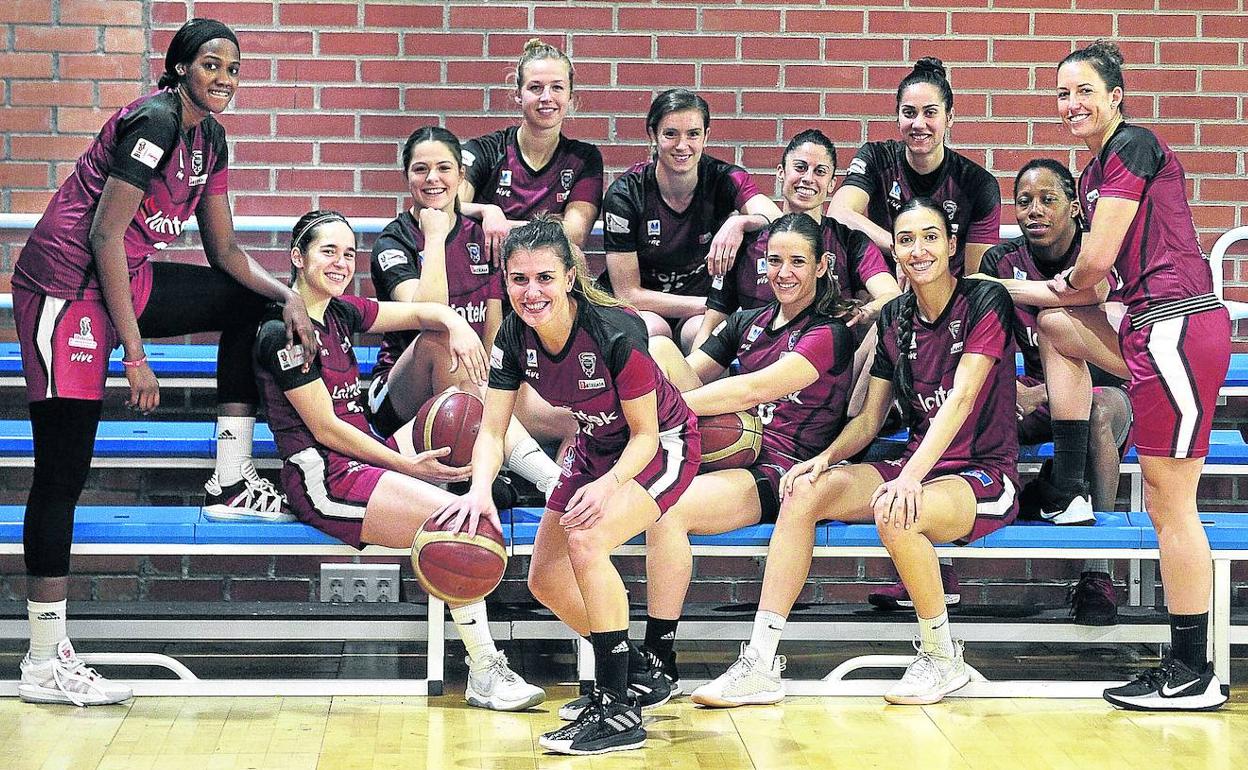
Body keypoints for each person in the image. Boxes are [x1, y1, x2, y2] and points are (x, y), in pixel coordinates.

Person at [12, 18, 318, 706]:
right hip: (66, 286)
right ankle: (42, 661)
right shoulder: (154, 121)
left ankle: (231, 480)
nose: (224, 79)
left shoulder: (211, 138)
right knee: (63, 471)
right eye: (211, 65)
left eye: (233, 69)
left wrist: (288, 294)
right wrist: (138, 355)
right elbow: (103, 232)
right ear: (180, 67)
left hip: (125, 274)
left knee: (249, 305)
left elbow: (227, 256)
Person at [693, 197, 1019, 708]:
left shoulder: (984, 300)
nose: (918, 249)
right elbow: (869, 418)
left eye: (930, 237)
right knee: (804, 491)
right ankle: (759, 662)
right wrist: (825, 459)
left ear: (953, 246)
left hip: (981, 474)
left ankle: (941, 656)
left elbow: (961, 398)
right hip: (916, 466)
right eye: (907, 240)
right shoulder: (895, 316)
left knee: (898, 512)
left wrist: (909, 477)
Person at [254, 210, 544, 712]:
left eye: (349, 253)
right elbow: (326, 430)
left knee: (465, 407)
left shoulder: (343, 311)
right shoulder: (281, 331)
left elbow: (420, 314)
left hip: (368, 455)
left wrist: (456, 322)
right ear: (297, 257)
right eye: (328, 251)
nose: (342, 262)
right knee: (461, 525)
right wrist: (405, 465)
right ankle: (484, 671)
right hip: (325, 475)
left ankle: (549, 479)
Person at [434, 217, 700, 755]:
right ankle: (638, 673)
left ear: (571, 277)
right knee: (545, 577)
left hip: (660, 445)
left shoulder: (617, 332)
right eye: (518, 279)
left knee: (587, 539)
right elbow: (491, 427)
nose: (531, 292)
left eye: (545, 278)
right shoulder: (512, 334)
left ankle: (618, 708)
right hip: (597, 447)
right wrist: (479, 489)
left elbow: (647, 436)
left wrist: (607, 489)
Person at [1045, 41, 1230, 710]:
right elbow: (1087, 294)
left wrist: (1038, 285)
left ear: (1115, 96)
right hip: (1152, 328)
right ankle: (1069, 488)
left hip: (1178, 323)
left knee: (1170, 501)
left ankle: (1193, 673)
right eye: (1062, 93)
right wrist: (1045, 296)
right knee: (1058, 329)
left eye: (1084, 91)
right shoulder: (1095, 169)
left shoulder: (1132, 146)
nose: (1072, 104)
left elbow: (1092, 265)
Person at [643, 212, 856, 688]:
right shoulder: (748, 321)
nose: (784, 272)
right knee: (657, 348)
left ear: (821, 266)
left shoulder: (830, 333)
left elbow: (751, 390)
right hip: (729, 449)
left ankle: (657, 659)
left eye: (797, 262)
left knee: (667, 511)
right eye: (774, 260)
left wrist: (662, 415)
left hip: (781, 469)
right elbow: (691, 369)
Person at [977, 159, 1133, 626]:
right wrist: (1011, 391)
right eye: (1024, 202)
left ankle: (1096, 571)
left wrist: (1042, 391)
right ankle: (945, 560)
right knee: (961, 405)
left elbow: (1099, 326)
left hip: (1102, 391)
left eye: (1048, 200)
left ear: (1073, 206)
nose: (1034, 211)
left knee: (1100, 412)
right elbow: (983, 341)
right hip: (1021, 392)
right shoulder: (999, 260)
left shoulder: (1098, 255)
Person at [368, 126, 563, 497]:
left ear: (461, 175)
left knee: (567, 416)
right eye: (420, 169)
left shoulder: (481, 238)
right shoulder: (394, 240)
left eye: (444, 168)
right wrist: (436, 238)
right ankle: (542, 476)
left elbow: (493, 334)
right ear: (406, 176)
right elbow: (428, 314)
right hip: (400, 392)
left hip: (473, 385)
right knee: (442, 339)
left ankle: (555, 502)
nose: (432, 179)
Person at [691, 128, 900, 415]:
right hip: (759, 369)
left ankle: (857, 428)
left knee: (891, 322)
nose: (807, 179)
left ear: (831, 184)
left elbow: (891, 297)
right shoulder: (747, 242)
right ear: (780, 173)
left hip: (824, 372)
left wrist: (863, 312)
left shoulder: (849, 241)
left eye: (819, 171)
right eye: (800, 168)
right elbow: (711, 324)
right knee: (680, 341)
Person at [602, 88, 782, 350]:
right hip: (647, 306)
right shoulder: (626, 194)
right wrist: (713, 305)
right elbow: (628, 293)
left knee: (706, 334)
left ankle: (695, 393)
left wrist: (739, 222)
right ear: (653, 135)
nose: (682, 145)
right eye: (671, 134)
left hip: (697, 310)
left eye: (693, 134)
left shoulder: (724, 178)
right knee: (654, 331)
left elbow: (777, 220)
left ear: (706, 136)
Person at [829, 57, 1000, 278]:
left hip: (949, 295)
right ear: (897, 117)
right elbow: (839, 213)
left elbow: (977, 279)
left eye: (930, 113)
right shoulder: (877, 158)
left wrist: (915, 257)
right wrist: (902, 250)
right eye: (909, 113)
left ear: (949, 117)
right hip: (888, 288)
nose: (918, 124)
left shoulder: (977, 183)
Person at [460, 38, 603, 252]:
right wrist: (486, 211)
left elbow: (576, 234)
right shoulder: (485, 151)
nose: (547, 97)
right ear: (518, 94)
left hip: (548, 277)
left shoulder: (584, 158)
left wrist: (503, 226)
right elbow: (447, 210)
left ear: (570, 96)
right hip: (487, 271)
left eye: (557, 87)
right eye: (535, 87)